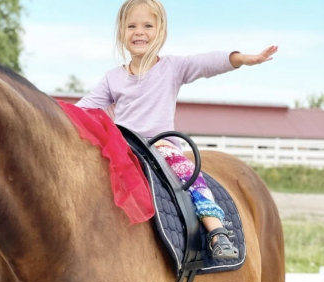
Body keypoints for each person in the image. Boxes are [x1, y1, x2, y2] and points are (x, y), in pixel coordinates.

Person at [76, 0, 278, 259]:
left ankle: (217, 232)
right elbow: (83, 109)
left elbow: (207, 63)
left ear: (160, 31)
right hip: (124, 147)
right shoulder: (112, 78)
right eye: (131, 26)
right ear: (121, 33)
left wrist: (241, 59)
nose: (139, 31)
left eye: (147, 25)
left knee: (187, 173)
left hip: (160, 145)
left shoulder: (171, 67)